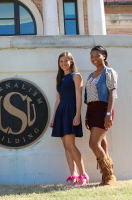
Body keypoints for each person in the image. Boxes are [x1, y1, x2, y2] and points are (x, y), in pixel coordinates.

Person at [50, 52, 89, 186]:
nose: (63, 63)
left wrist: (77, 114)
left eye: (66, 60)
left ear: (71, 61)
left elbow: (79, 97)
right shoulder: (59, 78)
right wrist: (54, 118)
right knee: (66, 145)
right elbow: (57, 100)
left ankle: (83, 174)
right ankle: (73, 175)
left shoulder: (76, 76)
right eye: (61, 61)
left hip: (71, 111)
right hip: (61, 112)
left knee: (71, 144)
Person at [84, 45, 118, 186]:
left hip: (103, 109)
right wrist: (87, 115)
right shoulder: (91, 75)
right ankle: (105, 177)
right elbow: (89, 97)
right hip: (92, 110)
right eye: (92, 56)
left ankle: (109, 175)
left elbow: (112, 94)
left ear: (104, 56)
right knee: (102, 144)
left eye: (97, 55)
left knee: (93, 143)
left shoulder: (109, 72)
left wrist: (108, 114)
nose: (94, 59)